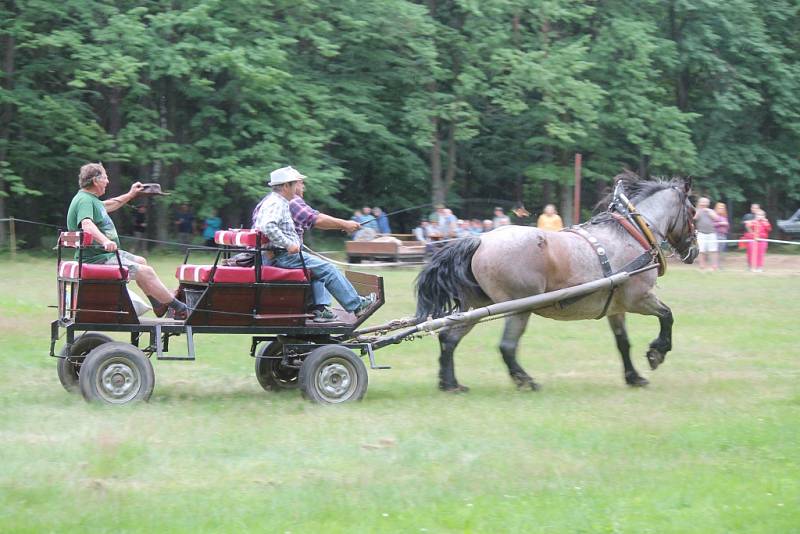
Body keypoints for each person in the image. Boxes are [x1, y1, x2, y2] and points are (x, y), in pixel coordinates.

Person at [252, 166, 376, 322]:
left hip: (278, 254)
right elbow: (268, 226)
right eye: (297, 183)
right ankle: (357, 305)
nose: (301, 186)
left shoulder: (278, 201)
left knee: (319, 270)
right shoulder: (278, 203)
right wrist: (289, 244)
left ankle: (320, 311)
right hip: (283, 255)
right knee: (329, 269)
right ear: (285, 186)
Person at [66, 163, 187, 318]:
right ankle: (180, 307)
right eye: (105, 177)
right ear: (95, 181)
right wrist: (105, 241)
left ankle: (158, 305)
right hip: (97, 259)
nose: (108, 181)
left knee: (141, 261)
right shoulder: (85, 201)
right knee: (147, 272)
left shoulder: (91, 200)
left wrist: (131, 194)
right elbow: (87, 225)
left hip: (104, 255)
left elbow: (110, 204)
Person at [694, 197, 720, 271]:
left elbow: (717, 218)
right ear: (699, 203)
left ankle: (714, 266)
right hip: (701, 233)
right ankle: (702, 266)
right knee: (701, 250)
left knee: (713, 250)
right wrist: (699, 211)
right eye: (702, 202)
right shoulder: (696, 211)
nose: (704, 204)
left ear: (708, 204)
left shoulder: (711, 211)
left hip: (712, 233)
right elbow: (694, 218)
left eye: (705, 202)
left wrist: (710, 213)